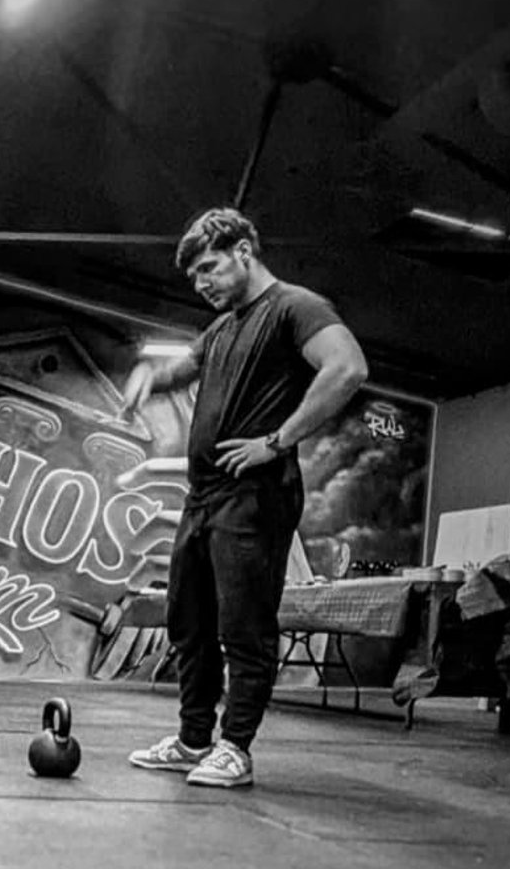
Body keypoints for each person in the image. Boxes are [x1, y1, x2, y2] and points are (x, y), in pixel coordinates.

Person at [120, 207, 369, 788]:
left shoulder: (295, 307)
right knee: (188, 621)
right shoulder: (224, 326)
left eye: (209, 268)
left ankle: (236, 748)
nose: (202, 283)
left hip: (255, 494)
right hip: (205, 496)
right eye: (194, 278)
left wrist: (277, 441)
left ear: (243, 252)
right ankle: (193, 739)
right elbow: (184, 367)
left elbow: (348, 367)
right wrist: (149, 378)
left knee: (244, 626)